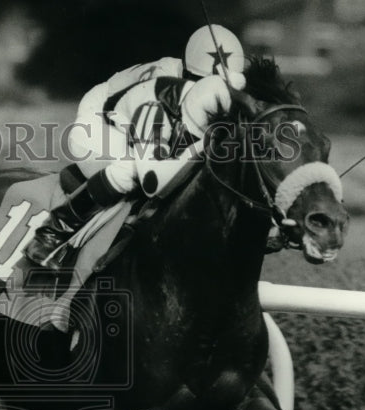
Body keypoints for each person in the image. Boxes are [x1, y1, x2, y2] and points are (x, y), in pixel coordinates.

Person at [24, 24, 248, 269]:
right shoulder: (160, 98)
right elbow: (153, 182)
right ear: (185, 74)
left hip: (140, 113)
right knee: (131, 172)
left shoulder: (202, 86)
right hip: (101, 120)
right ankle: (52, 233)